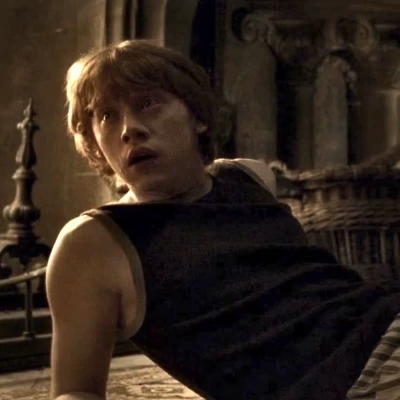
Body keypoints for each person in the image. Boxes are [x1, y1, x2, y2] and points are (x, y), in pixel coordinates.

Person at [46, 39, 400, 400]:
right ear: (94, 141)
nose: (129, 129)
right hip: (356, 384)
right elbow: (75, 392)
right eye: (107, 115)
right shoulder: (93, 243)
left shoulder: (248, 176)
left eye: (148, 103)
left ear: (198, 117)